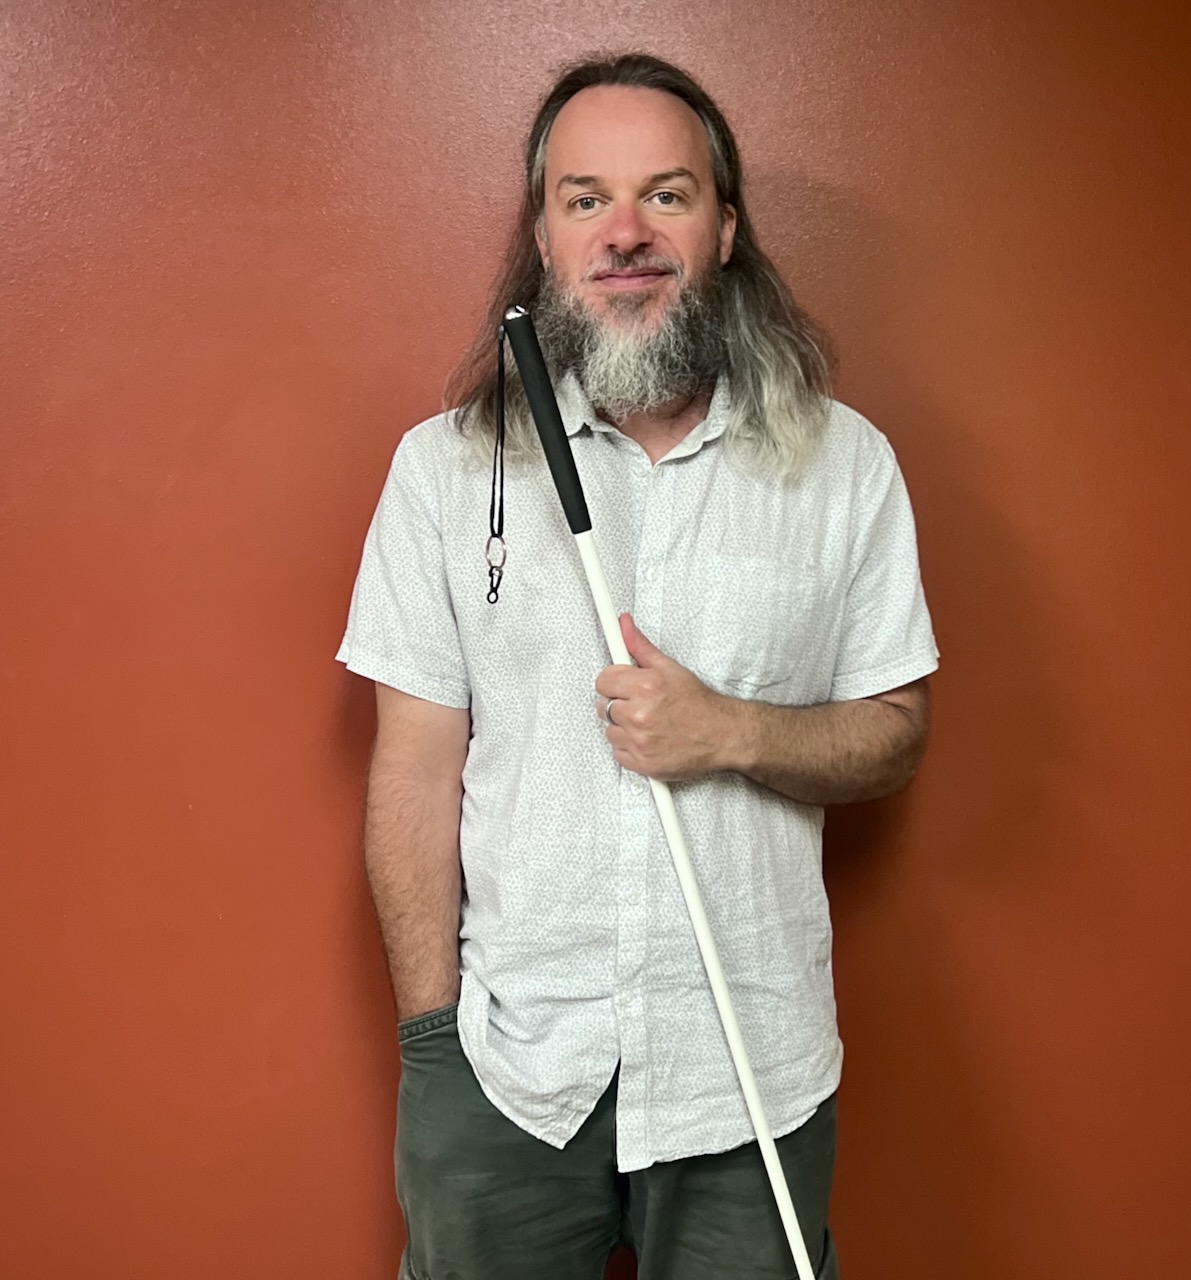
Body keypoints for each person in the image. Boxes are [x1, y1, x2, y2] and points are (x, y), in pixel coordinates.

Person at [337, 51, 938, 1280]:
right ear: (543, 239)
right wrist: (433, 1042)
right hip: (510, 1071)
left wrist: (731, 730)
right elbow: (412, 771)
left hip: (748, 1069)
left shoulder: (845, 466)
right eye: (583, 199)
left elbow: (894, 731)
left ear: (724, 229)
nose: (624, 232)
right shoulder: (445, 471)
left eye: (665, 195)